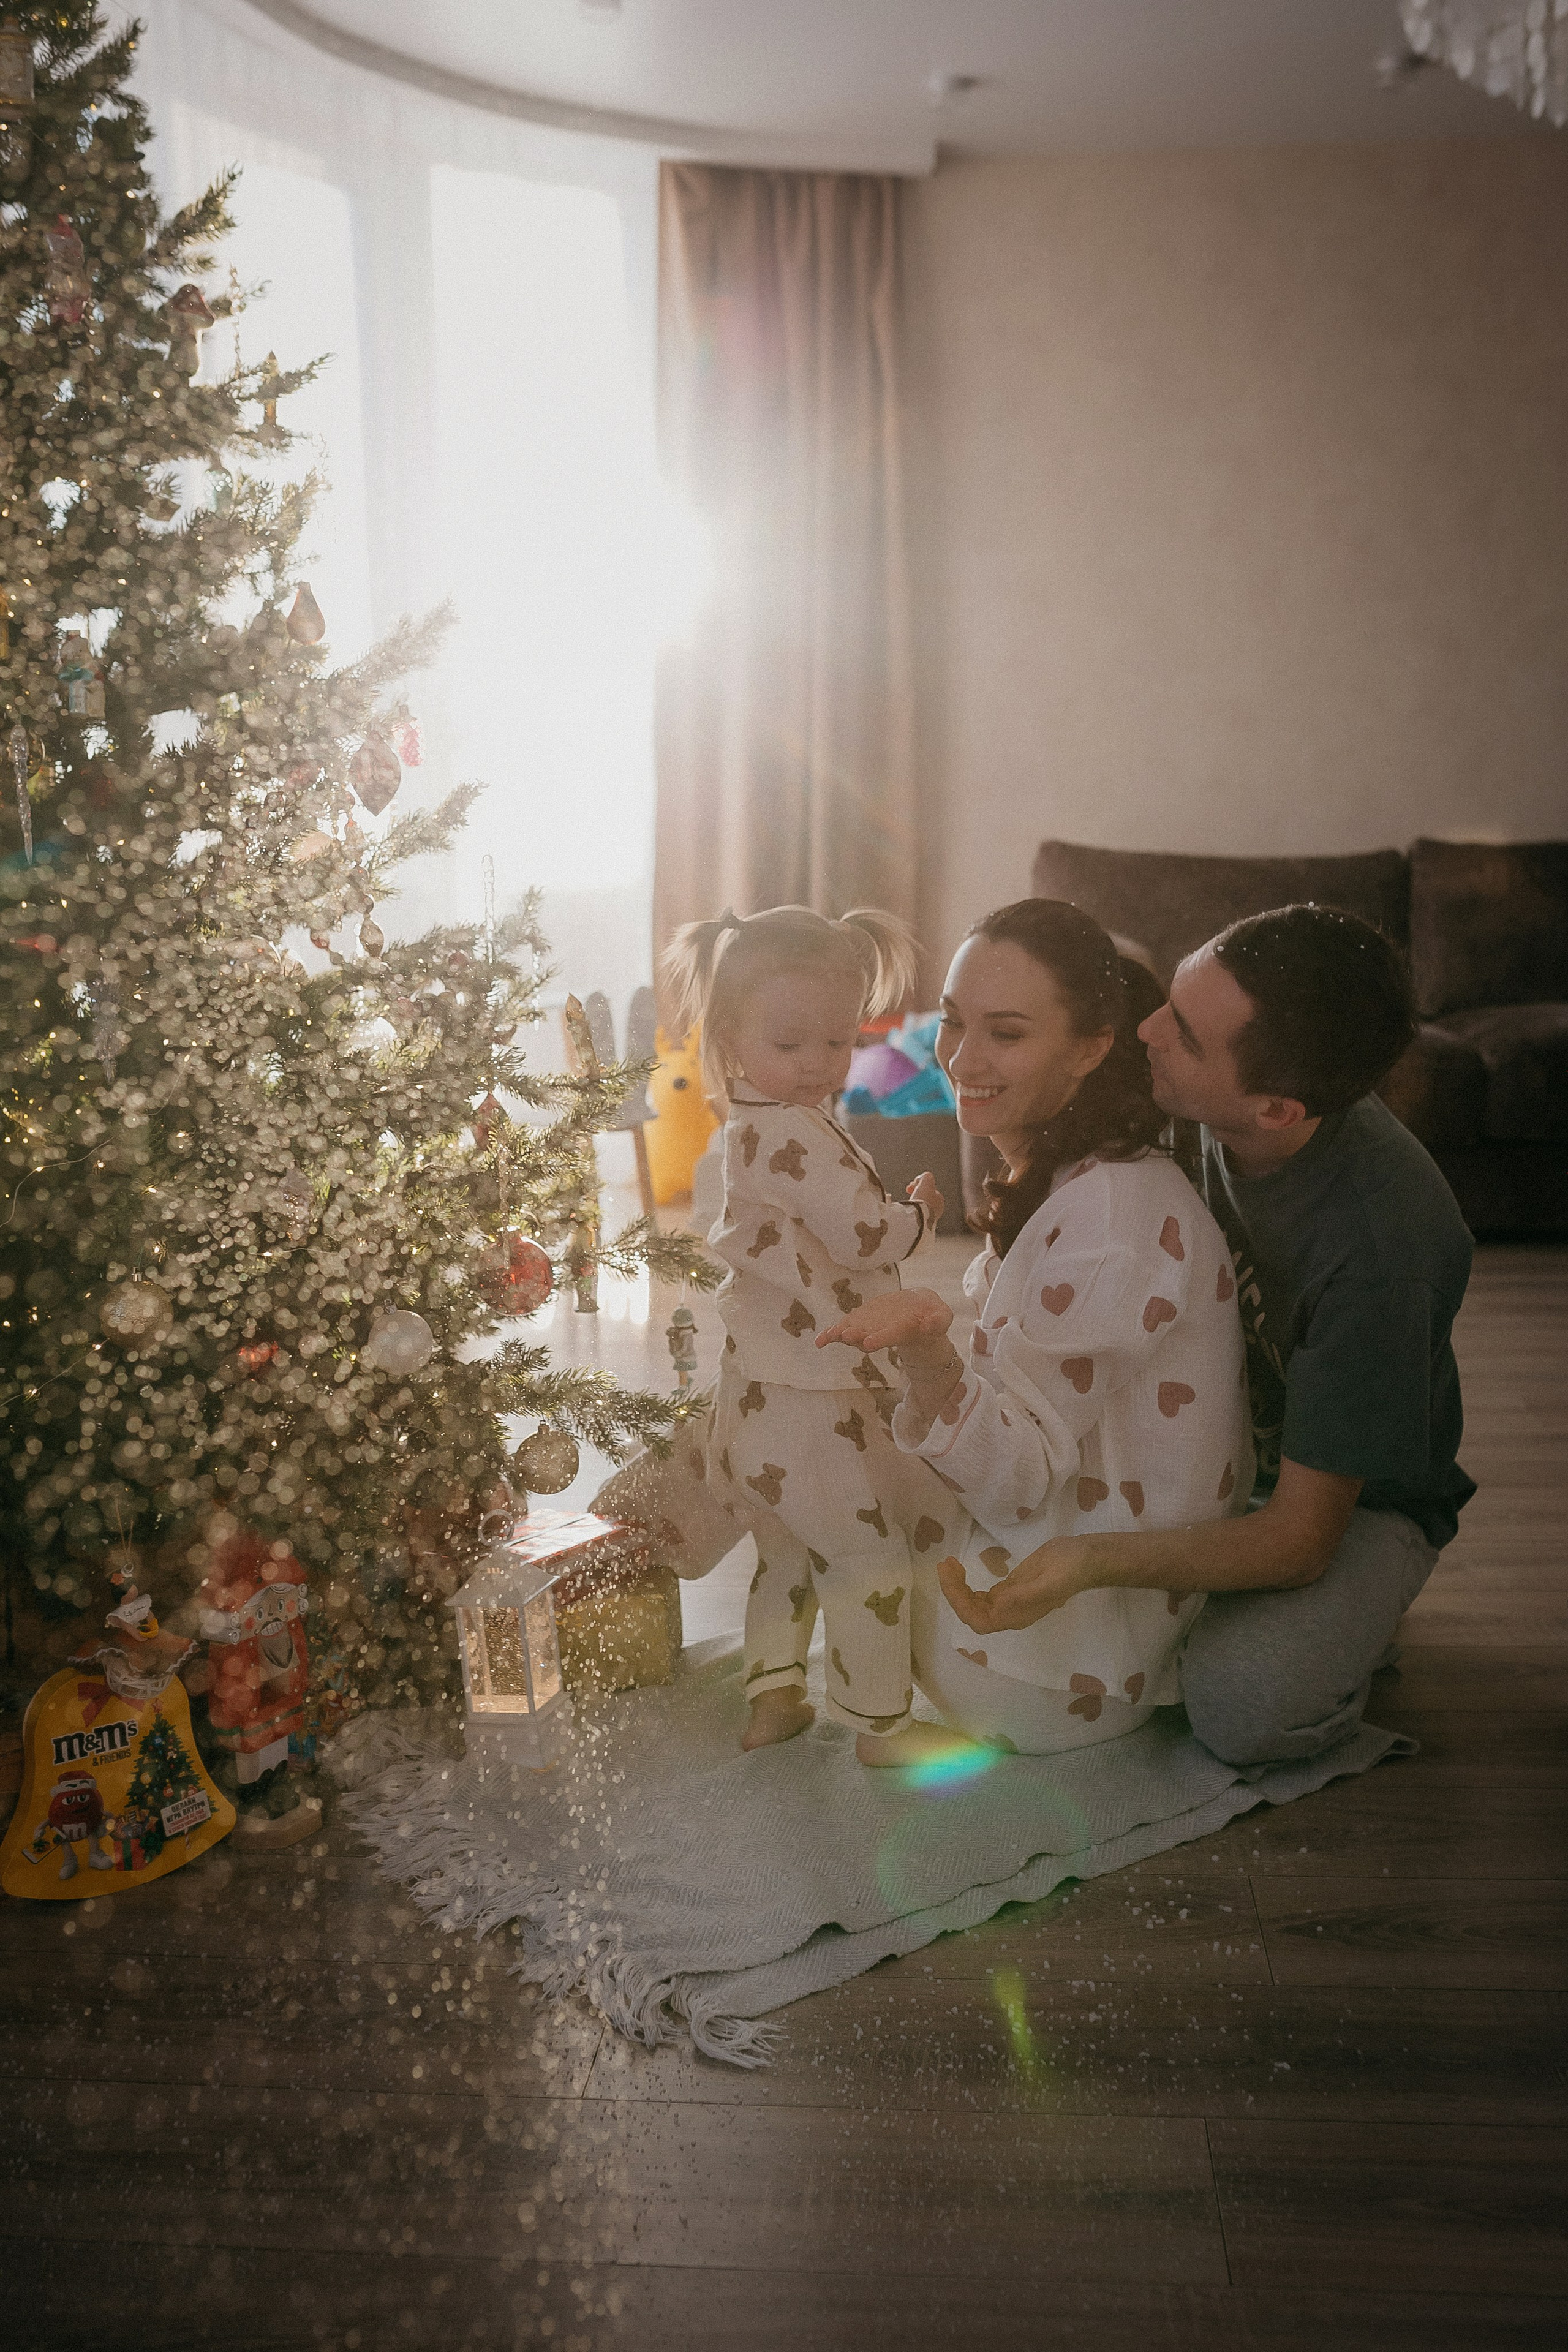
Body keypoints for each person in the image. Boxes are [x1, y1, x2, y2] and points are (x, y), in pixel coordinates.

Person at [940, 902, 1474, 1767]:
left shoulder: (1385, 1247)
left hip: (1347, 1501)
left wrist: (1091, 1560)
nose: (1147, 1030)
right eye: (1174, 998)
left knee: (1243, 1704)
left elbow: (1301, 1537)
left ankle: (1360, 1627)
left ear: (1273, 1109)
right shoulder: (1180, 1094)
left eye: (1183, 1035)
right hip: (1206, 1448)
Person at [819, 899, 1252, 1754]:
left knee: (814, 1470)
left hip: (1044, 1666)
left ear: (1092, 1048)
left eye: (1007, 1034)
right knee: (802, 1439)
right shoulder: (1087, 1180)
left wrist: (927, 1350)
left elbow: (1016, 1482)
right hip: (1069, 1631)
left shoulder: (1107, 1222)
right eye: (953, 1022)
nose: (962, 1058)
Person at [660, 904, 957, 1766]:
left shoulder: (747, 1129)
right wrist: (918, 1217)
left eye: (836, 1041)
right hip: (811, 1401)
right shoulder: (795, 1136)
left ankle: (775, 1695)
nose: (817, 1064)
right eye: (789, 1045)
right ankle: (882, 1727)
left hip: (755, 1397)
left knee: (785, 1552)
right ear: (728, 1037)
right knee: (868, 1555)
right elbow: (863, 1236)